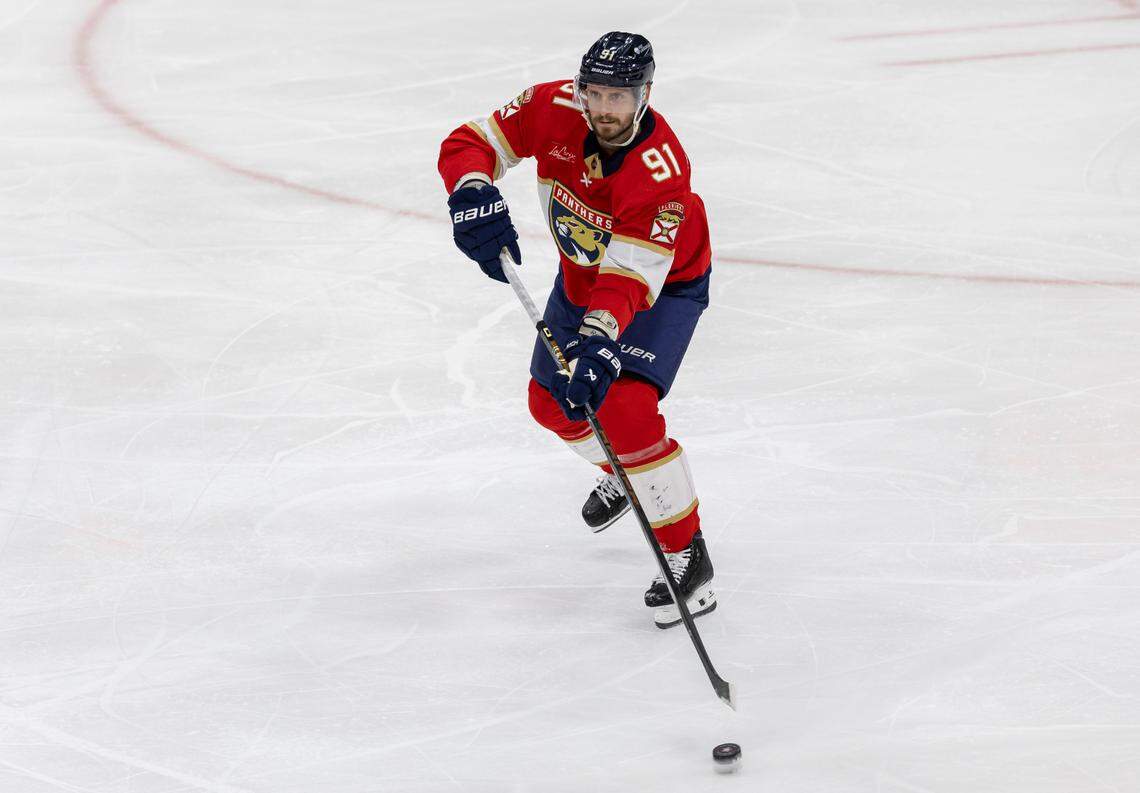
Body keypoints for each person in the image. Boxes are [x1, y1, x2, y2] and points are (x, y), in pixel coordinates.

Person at [438, 32, 715, 629]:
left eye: (620, 96)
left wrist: (600, 342)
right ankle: (626, 475)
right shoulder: (551, 108)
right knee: (551, 402)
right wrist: (473, 189)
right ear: (579, 89)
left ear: (645, 95)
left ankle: (686, 553)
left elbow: (630, 277)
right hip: (584, 276)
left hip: (659, 287)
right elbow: (472, 142)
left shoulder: (660, 170)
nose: (605, 108)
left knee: (624, 409)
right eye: (595, 93)